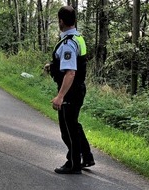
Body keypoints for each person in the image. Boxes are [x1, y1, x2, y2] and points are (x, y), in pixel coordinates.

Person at [48, 6, 95, 174]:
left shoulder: (68, 43)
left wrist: (60, 96)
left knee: (67, 131)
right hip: (78, 88)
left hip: (70, 91)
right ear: (74, 20)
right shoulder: (77, 38)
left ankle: (73, 164)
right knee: (73, 125)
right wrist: (53, 66)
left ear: (61, 21)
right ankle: (87, 157)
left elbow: (70, 72)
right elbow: (75, 63)